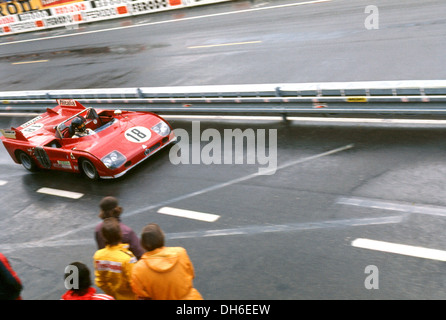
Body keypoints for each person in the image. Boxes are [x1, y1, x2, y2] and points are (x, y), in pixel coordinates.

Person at [130, 223, 203, 300]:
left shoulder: (138, 269)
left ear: (143, 244)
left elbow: (141, 295)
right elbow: (191, 274)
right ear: (162, 238)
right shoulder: (180, 253)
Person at [93, 217, 137, 300]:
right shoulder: (128, 258)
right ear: (120, 234)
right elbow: (135, 283)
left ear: (104, 237)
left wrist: (112, 292)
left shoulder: (98, 255)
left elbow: (100, 281)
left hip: (115, 296)